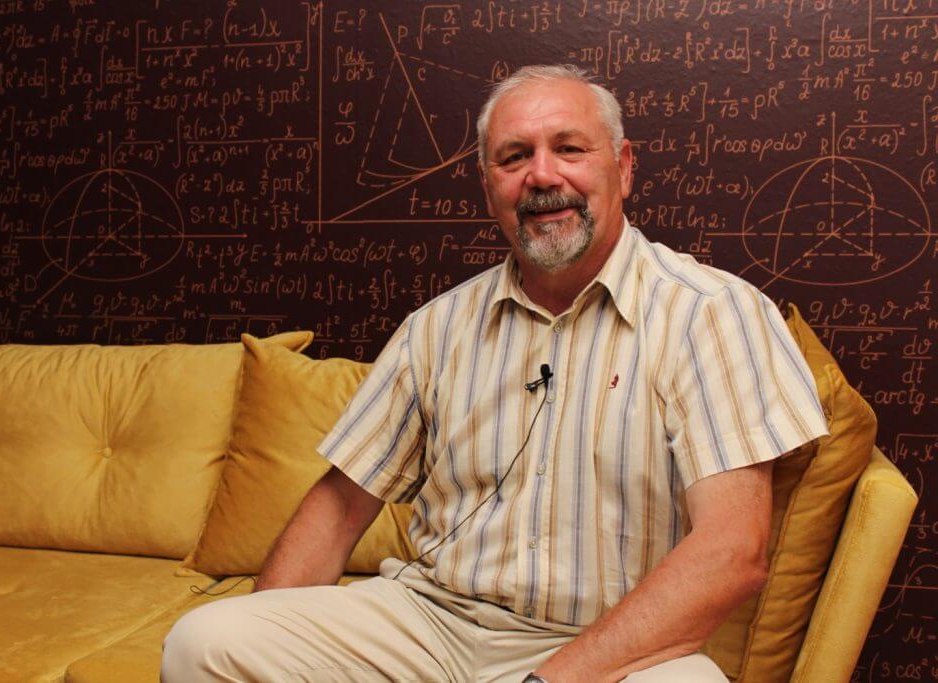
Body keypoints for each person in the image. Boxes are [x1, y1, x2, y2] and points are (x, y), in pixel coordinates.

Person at [161, 64, 828, 682]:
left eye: (569, 148)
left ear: (623, 168)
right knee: (207, 641)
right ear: (488, 185)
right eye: (514, 157)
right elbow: (337, 510)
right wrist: (274, 630)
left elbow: (732, 550)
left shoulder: (710, 313)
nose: (542, 175)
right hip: (431, 624)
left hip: (610, 642)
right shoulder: (436, 327)